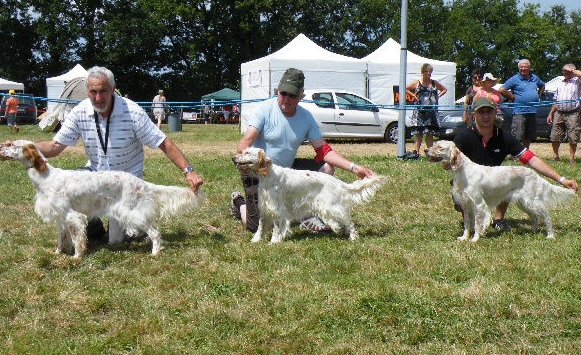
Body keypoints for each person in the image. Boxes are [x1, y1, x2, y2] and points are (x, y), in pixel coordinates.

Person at [35, 67, 203, 244]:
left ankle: (134, 226)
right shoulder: (79, 112)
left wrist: (188, 171)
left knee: (115, 242)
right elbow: (54, 146)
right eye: (93, 92)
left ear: (113, 89)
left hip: (125, 185)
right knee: (73, 183)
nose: (98, 98)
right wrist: (24, 147)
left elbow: (164, 143)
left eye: (103, 91)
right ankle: (95, 229)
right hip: (95, 177)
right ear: (87, 91)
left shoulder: (133, 112)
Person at [230, 67, 375, 233]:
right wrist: (245, 160)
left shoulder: (306, 117)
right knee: (255, 225)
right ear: (278, 91)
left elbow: (323, 150)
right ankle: (238, 202)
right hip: (259, 170)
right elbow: (247, 141)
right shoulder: (263, 110)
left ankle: (307, 212)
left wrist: (354, 167)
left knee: (326, 167)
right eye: (283, 93)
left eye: (292, 95)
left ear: (300, 96)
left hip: (285, 172)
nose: (286, 99)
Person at [453, 97, 578, 232]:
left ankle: (498, 220)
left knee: (507, 179)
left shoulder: (504, 137)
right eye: (481, 112)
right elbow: (450, 160)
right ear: (474, 114)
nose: (485, 116)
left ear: (495, 113)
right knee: (462, 197)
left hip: (493, 183)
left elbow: (531, 160)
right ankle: (470, 219)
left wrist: (561, 179)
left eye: (489, 112)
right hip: (469, 182)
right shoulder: (464, 137)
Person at [498, 59, 545, 149]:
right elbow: (501, 89)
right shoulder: (515, 79)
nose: (523, 69)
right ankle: (514, 154)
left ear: (529, 68)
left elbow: (542, 85)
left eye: (525, 67)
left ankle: (525, 153)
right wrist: (511, 97)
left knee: (529, 135)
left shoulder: (534, 77)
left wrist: (539, 94)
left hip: (532, 110)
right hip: (519, 111)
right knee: (517, 135)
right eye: (521, 67)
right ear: (519, 68)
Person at [405, 63, 448, 160]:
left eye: (430, 72)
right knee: (418, 133)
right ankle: (416, 154)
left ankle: (431, 154)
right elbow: (404, 88)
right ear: (422, 72)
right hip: (420, 112)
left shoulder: (434, 83)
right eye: (426, 71)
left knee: (430, 133)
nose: (428, 73)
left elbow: (444, 89)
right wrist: (413, 96)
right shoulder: (417, 82)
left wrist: (438, 96)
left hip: (431, 112)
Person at [546, 64, 581, 164]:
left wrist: (571, 69)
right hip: (559, 112)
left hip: (573, 112)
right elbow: (555, 100)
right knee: (555, 134)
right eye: (564, 71)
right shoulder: (560, 84)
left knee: (573, 135)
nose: (566, 72)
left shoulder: (577, 82)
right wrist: (551, 113)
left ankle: (571, 158)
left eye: (568, 71)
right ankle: (555, 156)